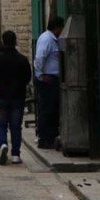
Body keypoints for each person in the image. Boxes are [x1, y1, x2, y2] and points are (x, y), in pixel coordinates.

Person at [0, 30, 32, 165]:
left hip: (0, 96)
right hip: (17, 97)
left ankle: (2, 144)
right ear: (15, 41)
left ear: (3, 41)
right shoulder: (22, 59)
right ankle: (15, 155)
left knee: (0, 124)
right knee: (16, 126)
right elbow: (27, 78)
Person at [34, 15, 64, 149]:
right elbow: (40, 58)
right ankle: (45, 138)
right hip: (48, 80)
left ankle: (51, 136)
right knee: (47, 109)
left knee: (52, 109)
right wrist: (40, 75)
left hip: (52, 79)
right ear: (57, 28)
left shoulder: (51, 39)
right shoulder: (47, 39)